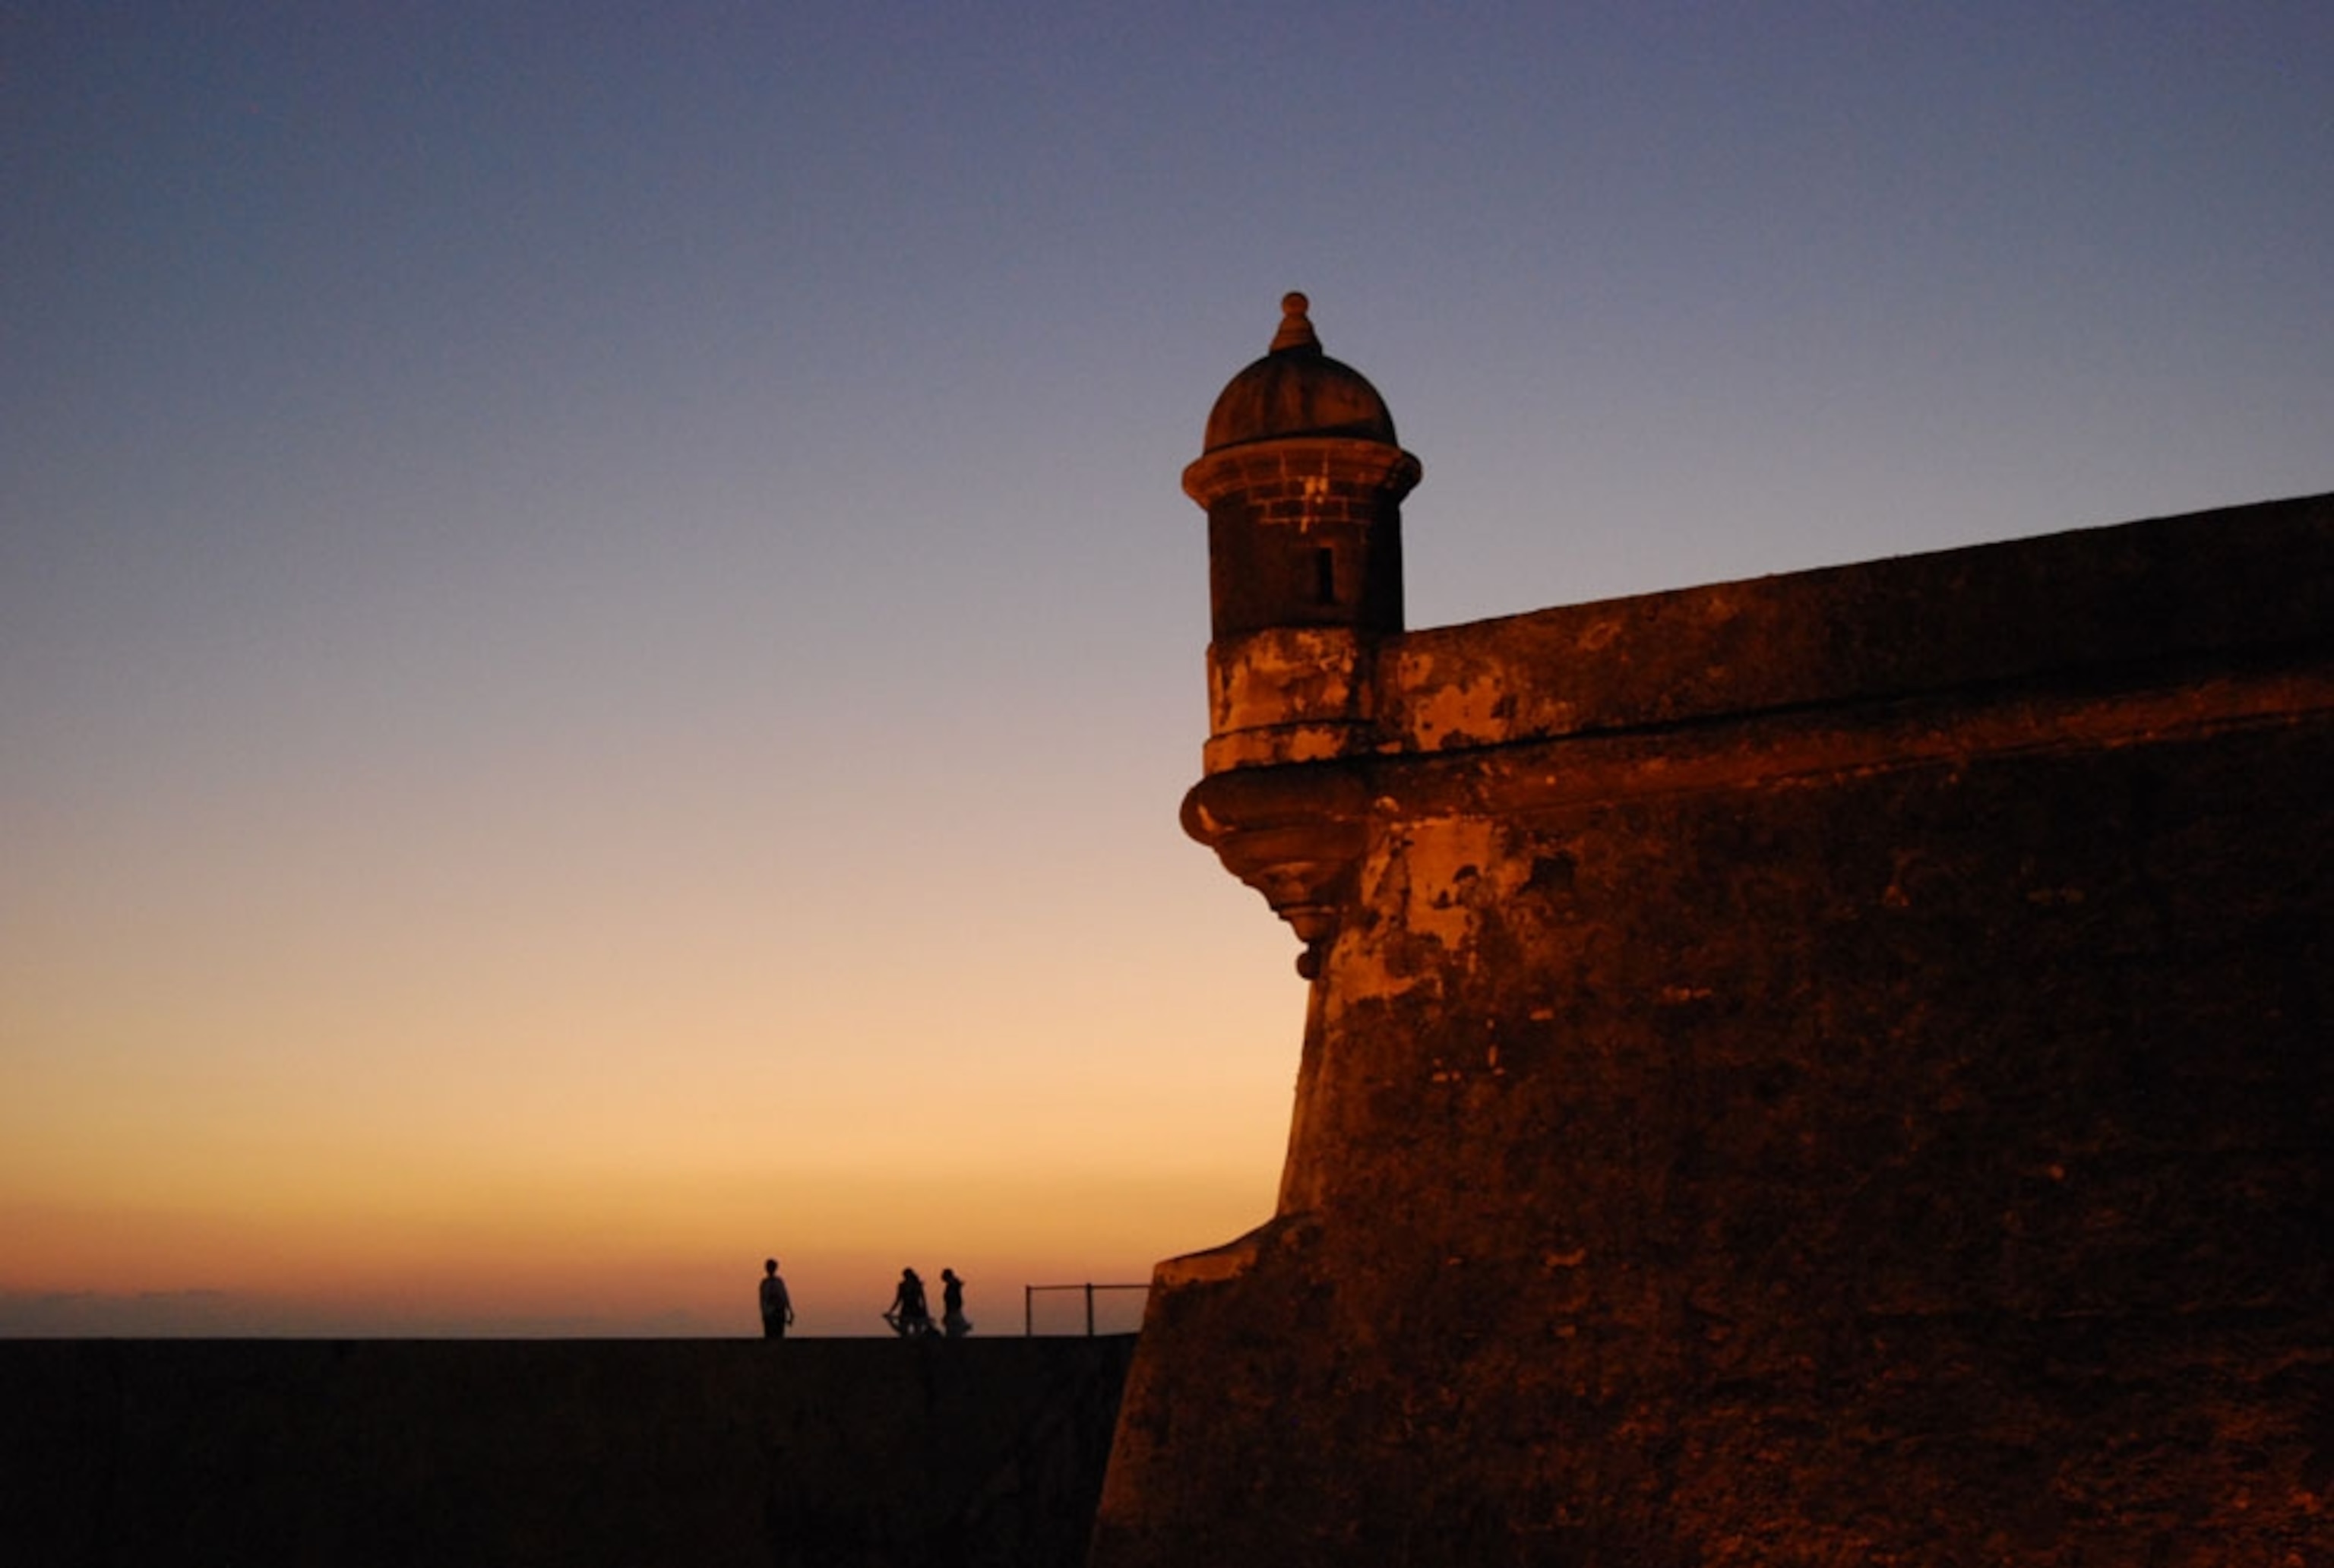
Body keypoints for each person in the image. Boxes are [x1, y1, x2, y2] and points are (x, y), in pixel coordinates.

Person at [884, 1266, 932, 1337]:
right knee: (904, 1331)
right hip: (907, 1310)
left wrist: (926, 1313)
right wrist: (891, 1311)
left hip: (915, 1310)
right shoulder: (903, 1286)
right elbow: (898, 1300)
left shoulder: (917, 1285)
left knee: (917, 1331)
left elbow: (923, 1300)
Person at [759, 1258, 793, 1339]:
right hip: (769, 1313)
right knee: (770, 1336)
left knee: (779, 1335)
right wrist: (764, 1313)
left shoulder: (778, 1282)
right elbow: (762, 1300)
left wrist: (790, 1311)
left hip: (779, 1312)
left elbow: (785, 1297)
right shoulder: (765, 1283)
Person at [941, 1267, 972, 1338]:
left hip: (953, 1309)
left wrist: (949, 1312)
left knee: (954, 1326)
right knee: (955, 1326)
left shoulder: (952, 1286)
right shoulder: (953, 1285)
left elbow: (952, 1299)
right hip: (954, 1309)